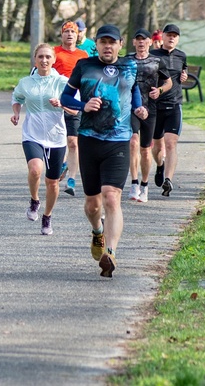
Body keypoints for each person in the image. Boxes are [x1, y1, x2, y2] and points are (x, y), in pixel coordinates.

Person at [60, 24, 149, 278]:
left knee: (112, 197)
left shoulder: (130, 66)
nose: (107, 46)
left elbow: (134, 93)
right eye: (103, 42)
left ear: (121, 44)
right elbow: (66, 97)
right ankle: (97, 232)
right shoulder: (84, 66)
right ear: (95, 44)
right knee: (91, 204)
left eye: (112, 42)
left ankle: (110, 253)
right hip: (89, 139)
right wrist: (83, 104)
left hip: (118, 141)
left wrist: (139, 109)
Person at [11, 44, 68, 236]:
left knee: (52, 182)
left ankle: (47, 216)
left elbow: (74, 106)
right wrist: (16, 113)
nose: (44, 60)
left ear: (53, 60)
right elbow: (17, 97)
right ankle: (34, 200)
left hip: (56, 136)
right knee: (35, 169)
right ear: (35, 60)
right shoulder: (26, 82)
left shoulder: (62, 82)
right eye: (40, 57)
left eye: (48, 57)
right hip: (32, 134)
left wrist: (61, 103)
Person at [126, 29, 172, 203]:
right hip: (131, 108)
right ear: (133, 42)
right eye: (137, 40)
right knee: (132, 142)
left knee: (145, 149)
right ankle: (134, 183)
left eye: (143, 40)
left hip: (150, 108)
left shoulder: (156, 61)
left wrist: (159, 90)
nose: (140, 43)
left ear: (149, 42)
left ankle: (144, 185)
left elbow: (168, 82)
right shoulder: (127, 61)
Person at [149, 23, 188, 197]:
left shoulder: (182, 56)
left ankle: (168, 180)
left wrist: (184, 76)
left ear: (178, 39)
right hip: (156, 106)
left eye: (175, 35)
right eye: (169, 35)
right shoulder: (153, 55)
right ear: (163, 37)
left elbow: (183, 72)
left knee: (171, 143)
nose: (172, 38)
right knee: (157, 147)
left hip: (174, 104)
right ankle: (159, 166)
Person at [53, 21, 89, 196]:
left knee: (74, 142)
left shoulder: (83, 55)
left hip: (75, 100)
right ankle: (61, 164)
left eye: (72, 32)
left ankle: (72, 180)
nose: (69, 34)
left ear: (78, 35)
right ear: (61, 34)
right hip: (55, 101)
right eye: (66, 31)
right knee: (57, 141)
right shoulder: (53, 53)